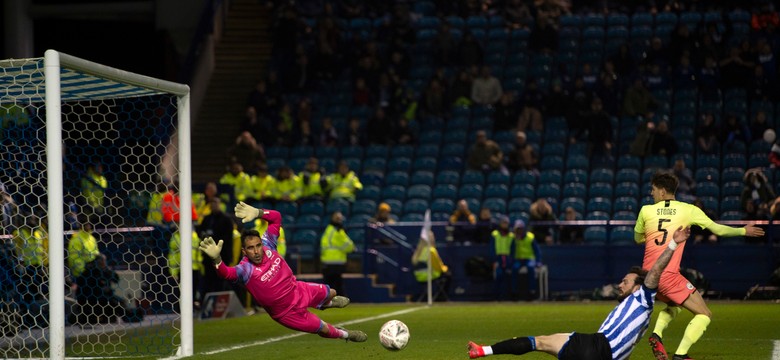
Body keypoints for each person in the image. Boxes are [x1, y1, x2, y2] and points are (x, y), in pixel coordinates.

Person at [468, 226, 692, 359]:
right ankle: (483, 350)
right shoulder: (634, 310)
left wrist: (672, 244)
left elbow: (654, 273)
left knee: (540, 342)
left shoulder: (643, 297)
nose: (620, 285)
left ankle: (484, 351)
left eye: (625, 282)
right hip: (603, 352)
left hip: (595, 346)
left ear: (637, 286)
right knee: (542, 342)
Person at [634, 171, 765, 360]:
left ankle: (657, 334)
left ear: (662, 192)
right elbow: (717, 229)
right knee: (704, 314)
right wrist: (743, 230)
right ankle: (681, 355)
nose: (651, 194)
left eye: (653, 190)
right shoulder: (688, 210)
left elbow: (637, 238)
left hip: (648, 277)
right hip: (668, 275)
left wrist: (654, 234)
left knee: (675, 305)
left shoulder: (645, 210)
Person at [199, 202, 367, 342]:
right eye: (251, 248)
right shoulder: (245, 269)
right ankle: (346, 334)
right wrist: (217, 260)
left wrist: (258, 212)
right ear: (244, 252)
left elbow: (276, 217)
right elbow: (226, 273)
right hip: (286, 313)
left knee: (333, 292)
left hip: (298, 290)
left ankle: (325, 303)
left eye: (258, 245)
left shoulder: (268, 244)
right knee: (322, 328)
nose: (257, 251)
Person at [197, 198, 237, 303]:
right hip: (207, 257)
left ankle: (220, 304)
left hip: (222, 256)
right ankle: (208, 304)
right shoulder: (206, 219)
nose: (214, 205)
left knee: (221, 280)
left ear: (219, 204)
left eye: (215, 203)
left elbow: (228, 240)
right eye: (212, 203)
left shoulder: (226, 220)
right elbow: (200, 232)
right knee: (208, 280)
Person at [168, 222, 204, 309]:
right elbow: (172, 256)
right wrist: (173, 272)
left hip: (194, 268)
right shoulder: (176, 238)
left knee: (194, 290)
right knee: (183, 291)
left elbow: (198, 254)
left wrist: (201, 268)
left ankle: (191, 307)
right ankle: (181, 309)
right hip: (182, 269)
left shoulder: (194, 237)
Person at [319, 211, 355, 297]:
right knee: (337, 284)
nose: (339, 220)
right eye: (337, 218)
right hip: (335, 260)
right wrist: (353, 248)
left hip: (328, 261)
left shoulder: (329, 229)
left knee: (329, 284)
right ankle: (338, 300)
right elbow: (347, 244)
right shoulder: (337, 231)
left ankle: (325, 300)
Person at [411, 230, 451, 302]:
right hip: (429, 275)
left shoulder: (418, 251)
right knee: (448, 274)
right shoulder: (431, 250)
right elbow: (438, 267)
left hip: (418, 276)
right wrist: (446, 269)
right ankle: (441, 298)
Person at [512, 220, 542, 301]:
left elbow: (537, 251)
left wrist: (538, 262)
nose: (519, 231)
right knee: (514, 269)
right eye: (518, 229)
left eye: (521, 229)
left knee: (530, 268)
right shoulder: (513, 239)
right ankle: (514, 293)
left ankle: (532, 292)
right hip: (518, 259)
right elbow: (511, 251)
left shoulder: (530, 237)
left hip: (529, 259)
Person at [490, 216, 514, 301]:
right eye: (503, 223)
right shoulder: (495, 234)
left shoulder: (511, 235)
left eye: (506, 223)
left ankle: (506, 297)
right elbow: (492, 248)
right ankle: (496, 297)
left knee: (507, 278)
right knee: (498, 276)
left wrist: (511, 260)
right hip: (498, 258)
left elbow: (513, 249)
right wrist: (494, 260)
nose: (504, 225)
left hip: (507, 258)